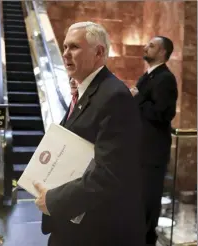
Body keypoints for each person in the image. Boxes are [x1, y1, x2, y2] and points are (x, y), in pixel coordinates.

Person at [33, 22, 145, 246]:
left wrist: (54, 200)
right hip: (75, 223)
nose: (65, 54)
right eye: (64, 47)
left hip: (97, 230)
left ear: (99, 52)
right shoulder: (85, 91)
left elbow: (109, 174)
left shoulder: (114, 96)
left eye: (74, 47)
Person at [130, 36, 178, 246]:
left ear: (162, 52)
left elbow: (162, 114)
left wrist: (137, 97)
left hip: (152, 153)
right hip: (140, 150)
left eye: (151, 45)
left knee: (148, 203)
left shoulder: (165, 78)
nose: (145, 47)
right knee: (138, 202)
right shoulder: (148, 76)